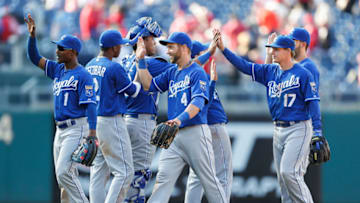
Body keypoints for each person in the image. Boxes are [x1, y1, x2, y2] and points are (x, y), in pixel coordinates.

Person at [214, 28, 322, 203]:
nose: (272, 52)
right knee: (283, 182)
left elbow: (313, 102)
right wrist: (224, 49)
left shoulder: (303, 73)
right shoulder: (271, 71)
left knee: (290, 173)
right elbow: (245, 66)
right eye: (271, 48)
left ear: (288, 51)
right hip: (278, 129)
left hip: (298, 127)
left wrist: (317, 131)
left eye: (276, 49)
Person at [136, 32, 227, 203]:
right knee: (162, 180)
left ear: (184, 48)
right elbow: (148, 85)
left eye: (171, 47)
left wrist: (179, 120)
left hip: (195, 132)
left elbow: (198, 102)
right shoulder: (172, 72)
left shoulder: (196, 72)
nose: (167, 51)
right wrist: (140, 60)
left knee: (210, 182)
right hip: (174, 137)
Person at [25, 13, 97, 203]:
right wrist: (31, 38)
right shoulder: (58, 70)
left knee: (64, 172)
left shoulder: (83, 75)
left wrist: (92, 133)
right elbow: (34, 57)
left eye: (61, 48)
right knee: (62, 178)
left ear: (72, 52)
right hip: (60, 129)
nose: (57, 51)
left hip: (76, 128)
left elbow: (90, 105)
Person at [85, 30, 141, 203]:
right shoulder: (114, 66)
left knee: (98, 172)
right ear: (113, 47)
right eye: (119, 45)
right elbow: (134, 91)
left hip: (92, 122)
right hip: (110, 121)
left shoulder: (89, 64)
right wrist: (138, 64)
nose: (121, 48)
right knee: (124, 172)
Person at [120, 17, 172, 203]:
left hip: (123, 121)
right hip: (142, 122)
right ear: (142, 40)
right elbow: (182, 67)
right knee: (138, 179)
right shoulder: (152, 63)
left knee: (125, 177)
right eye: (151, 39)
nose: (155, 42)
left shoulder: (124, 62)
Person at [185, 40, 233, 203]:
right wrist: (212, 82)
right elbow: (205, 104)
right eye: (202, 54)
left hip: (197, 129)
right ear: (195, 56)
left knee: (196, 176)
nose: (206, 56)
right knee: (223, 173)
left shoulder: (184, 75)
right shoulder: (199, 75)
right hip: (213, 126)